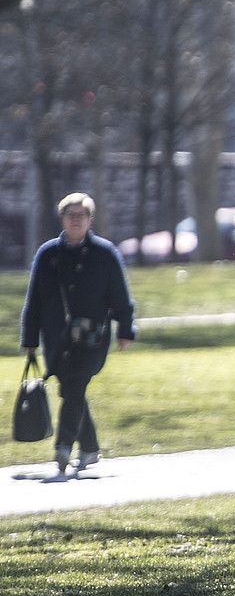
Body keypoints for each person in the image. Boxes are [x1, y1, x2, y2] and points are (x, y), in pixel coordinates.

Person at [20, 192, 136, 475]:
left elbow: (121, 296)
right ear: (62, 219)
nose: (75, 221)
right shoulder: (48, 255)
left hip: (92, 339)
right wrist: (30, 339)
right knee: (71, 389)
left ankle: (63, 447)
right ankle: (91, 448)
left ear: (89, 220)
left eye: (81, 216)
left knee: (74, 387)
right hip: (56, 339)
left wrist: (125, 330)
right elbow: (33, 299)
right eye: (70, 215)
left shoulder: (105, 254)